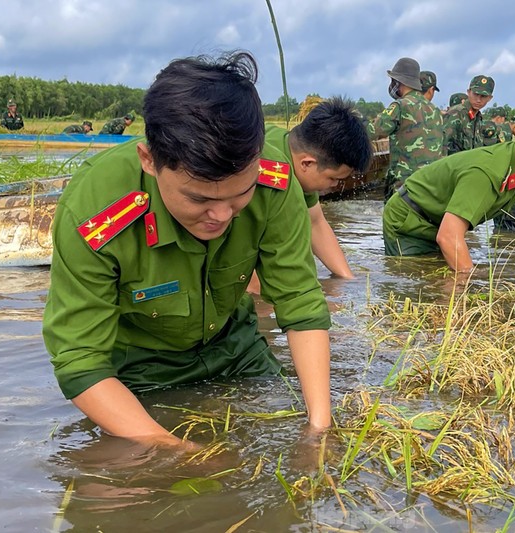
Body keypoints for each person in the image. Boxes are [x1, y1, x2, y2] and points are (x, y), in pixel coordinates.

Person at [42, 51, 333, 449]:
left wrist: (320, 429)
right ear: (149, 160)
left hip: (235, 348)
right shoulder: (96, 212)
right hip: (139, 368)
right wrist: (177, 451)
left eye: (239, 195)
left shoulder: (275, 181)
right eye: (198, 199)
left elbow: (299, 299)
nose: (221, 216)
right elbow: (80, 361)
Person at [382, 117, 515, 271]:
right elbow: (449, 237)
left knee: (448, 271)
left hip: (440, 222)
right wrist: (474, 278)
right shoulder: (485, 173)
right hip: (410, 219)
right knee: (414, 281)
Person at [259, 97, 373, 281]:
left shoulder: (294, 156)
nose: (335, 186)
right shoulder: (270, 171)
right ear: (308, 163)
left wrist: (347, 280)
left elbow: (316, 223)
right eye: (333, 178)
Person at [367, 57, 444, 200]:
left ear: (399, 82)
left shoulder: (400, 106)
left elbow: (370, 132)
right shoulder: (435, 111)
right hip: (431, 188)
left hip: (404, 188)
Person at [443, 75, 494, 155]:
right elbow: (442, 146)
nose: (478, 100)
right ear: (468, 92)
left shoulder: (478, 118)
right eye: (476, 94)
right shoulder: (456, 113)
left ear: (490, 98)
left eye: (483, 96)